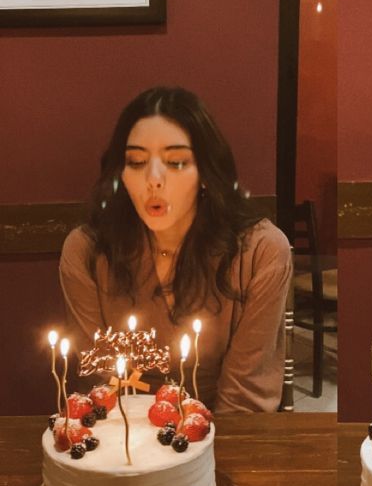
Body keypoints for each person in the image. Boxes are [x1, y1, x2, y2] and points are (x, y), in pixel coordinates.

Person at [59, 86, 292, 413]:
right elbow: (98, 386)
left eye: (177, 162)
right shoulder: (86, 251)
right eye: (137, 161)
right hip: (125, 439)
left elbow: (245, 397)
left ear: (207, 174)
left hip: (219, 433)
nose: (154, 179)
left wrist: (191, 454)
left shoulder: (261, 251)